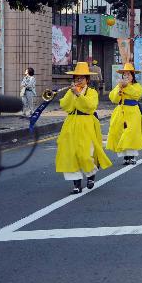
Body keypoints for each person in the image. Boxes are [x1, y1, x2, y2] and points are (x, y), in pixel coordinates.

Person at [55, 61, 112, 194]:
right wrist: (72, 93)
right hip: (71, 123)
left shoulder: (92, 92)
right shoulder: (71, 91)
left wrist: (79, 95)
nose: (78, 80)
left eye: (81, 78)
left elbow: (90, 106)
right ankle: (76, 184)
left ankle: (91, 176)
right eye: (76, 78)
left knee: (86, 153)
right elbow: (65, 105)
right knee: (70, 153)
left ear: (87, 79)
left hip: (87, 123)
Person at [107, 63, 142, 165]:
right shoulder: (119, 86)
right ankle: (126, 156)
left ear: (132, 76)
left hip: (133, 112)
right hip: (120, 111)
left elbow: (136, 94)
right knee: (120, 132)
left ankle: (132, 155)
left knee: (131, 133)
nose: (126, 76)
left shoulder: (137, 86)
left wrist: (126, 87)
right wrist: (119, 90)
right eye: (124, 75)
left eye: (128, 74)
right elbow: (113, 98)